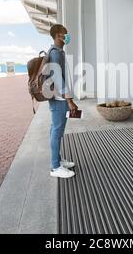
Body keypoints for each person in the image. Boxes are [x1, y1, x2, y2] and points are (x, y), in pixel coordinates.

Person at [47, 25, 79, 178]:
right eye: (66, 34)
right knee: (57, 131)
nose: (67, 36)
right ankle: (55, 167)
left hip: (60, 98)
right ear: (59, 35)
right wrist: (69, 100)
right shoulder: (55, 53)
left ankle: (58, 160)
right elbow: (57, 78)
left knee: (56, 130)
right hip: (59, 98)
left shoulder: (60, 52)